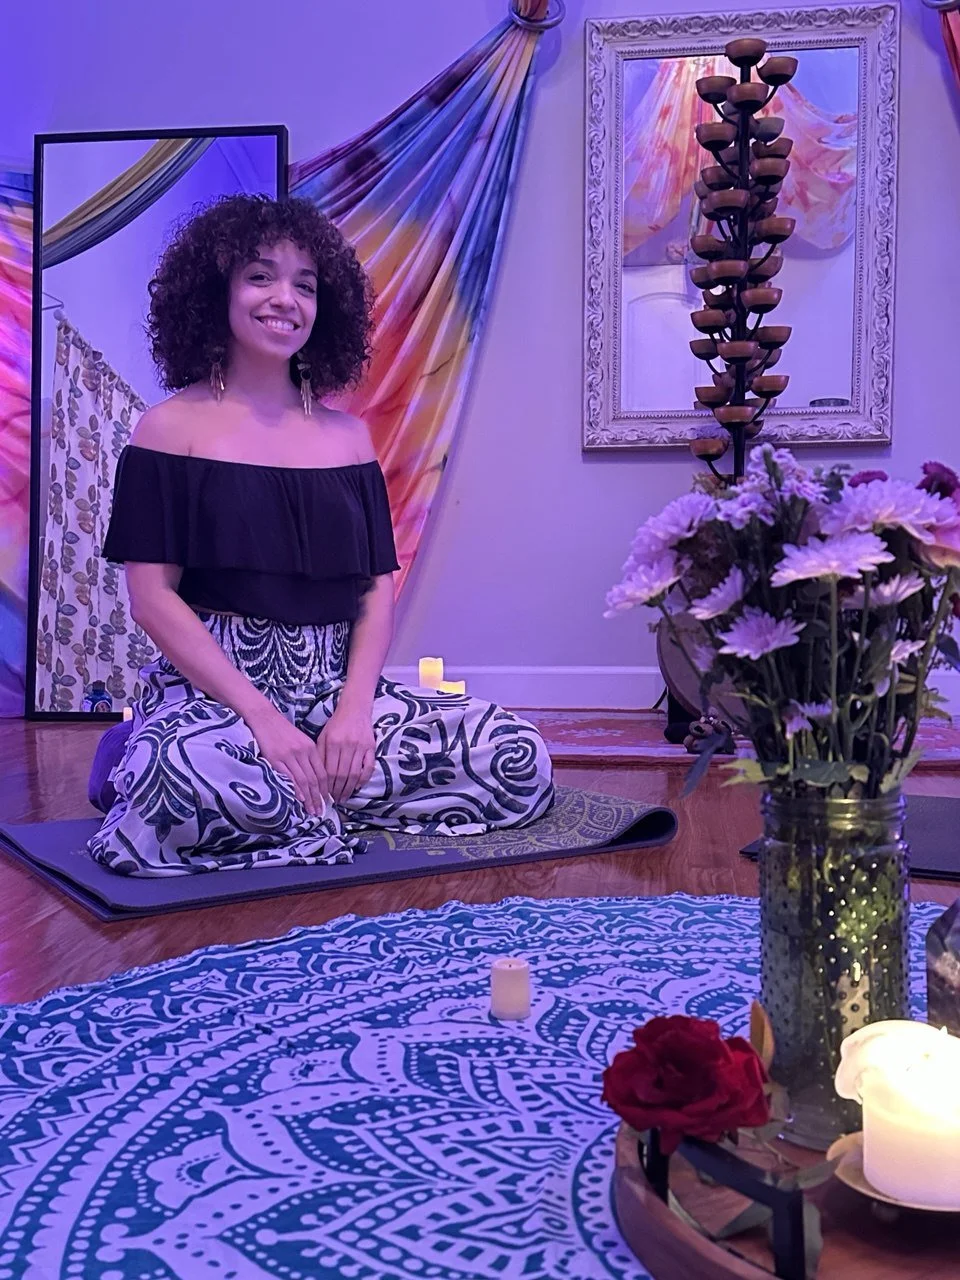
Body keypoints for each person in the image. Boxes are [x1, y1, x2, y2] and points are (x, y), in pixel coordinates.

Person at [89, 194, 554, 876]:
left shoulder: (349, 439)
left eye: (304, 285)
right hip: (215, 700)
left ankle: (305, 801)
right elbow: (152, 599)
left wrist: (354, 714)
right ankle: (155, 761)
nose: (285, 299)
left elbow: (375, 588)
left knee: (519, 757)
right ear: (214, 291)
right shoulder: (167, 429)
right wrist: (263, 721)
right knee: (176, 779)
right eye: (260, 277)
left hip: (335, 695)